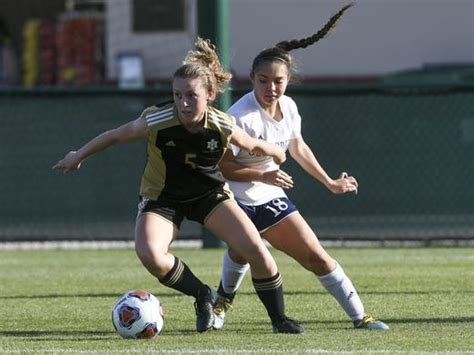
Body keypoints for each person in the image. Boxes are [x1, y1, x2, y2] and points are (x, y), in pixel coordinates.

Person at [53, 38, 304, 334]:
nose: (183, 103)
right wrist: (78, 154)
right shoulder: (158, 119)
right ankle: (203, 295)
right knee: (151, 255)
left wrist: (276, 151)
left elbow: (251, 143)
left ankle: (279, 320)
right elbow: (116, 135)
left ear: (210, 94)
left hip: (209, 195)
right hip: (163, 198)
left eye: (191, 95)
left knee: (257, 252)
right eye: (177, 95)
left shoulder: (222, 124)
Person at [212, 3, 389, 331]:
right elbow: (223, 168)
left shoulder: (289, 107)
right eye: (263, 81)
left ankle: (361, 318)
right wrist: (262, 174)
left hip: (270, 197)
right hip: (234, 200)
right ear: (251, 79)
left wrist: (330, 182)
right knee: (243, 251)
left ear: (288, 79)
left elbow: (298, 146)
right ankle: (222, 301)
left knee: (316, 257)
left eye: (278, 81)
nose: (271, 88)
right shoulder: (241, 117)